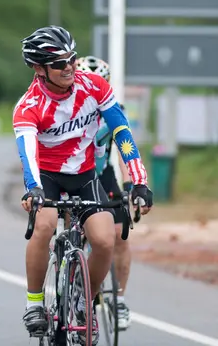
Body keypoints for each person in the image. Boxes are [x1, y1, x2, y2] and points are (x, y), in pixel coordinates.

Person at [13, 25, 153, 344]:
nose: (70, 67)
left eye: (72, 59)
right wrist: (33, 188)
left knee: (105, 240)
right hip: (46, 177)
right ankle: (34, 302)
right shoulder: (28, 105)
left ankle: (82, 301)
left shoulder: (94, 86)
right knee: (45, 225)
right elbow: (27, 153)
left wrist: (139, 180)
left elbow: (121, 132)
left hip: (85, 175)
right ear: (40, 68)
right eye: (60, 63)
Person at [76, 55, 133, 331]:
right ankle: (71, 271)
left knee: (121, 234)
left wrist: (131, 185)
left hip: (103, 175)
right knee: (68, 227)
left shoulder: (115, 109)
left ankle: (118, 298)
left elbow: (124, 150)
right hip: (72, 174)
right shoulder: (68, 107)